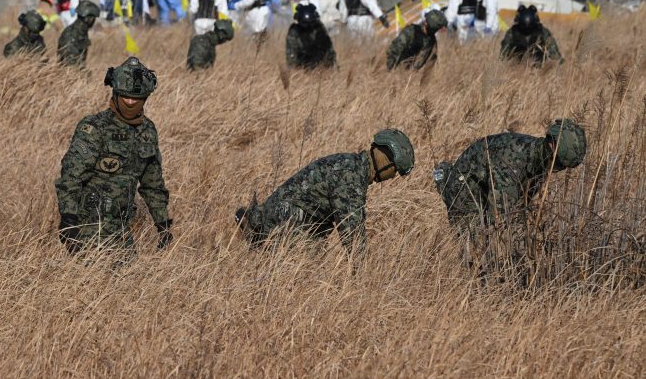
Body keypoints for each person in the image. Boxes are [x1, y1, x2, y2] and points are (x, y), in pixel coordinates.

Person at [55, 57, 172, 257]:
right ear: (116, 93)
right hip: (88, 228)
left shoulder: (147, 131)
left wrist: (163, 224)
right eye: (125, 97)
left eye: (136, 98)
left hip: (122, 229)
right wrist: (69, 219)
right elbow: (71, 177)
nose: (130, 102)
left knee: (129, 282)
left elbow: (152, 183)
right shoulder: (94, 128)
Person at [236, 129, 415, 254]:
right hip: (283, 221)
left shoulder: (352, 165)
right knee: (305, 269)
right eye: (395, 171)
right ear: (386, 160)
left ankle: (253, 225)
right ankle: (254, 229)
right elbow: (352, 235)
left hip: (285, 217)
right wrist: (362, 281)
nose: (392, 177)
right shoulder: (351, 178)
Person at [433, 119, 586, 231]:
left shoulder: (539, 159)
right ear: (551, 145)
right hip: (466, 187)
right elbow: (498, 219)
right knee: (472, 239)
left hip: (488, 183)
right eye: (558, 163)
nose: (557, 169)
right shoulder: (512, 161)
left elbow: (521, 204)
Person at [286, 3, 336, 70]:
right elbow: (291, 53)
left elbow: (329, 50)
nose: (307, 27)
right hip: (302, 63)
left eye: (310, 24)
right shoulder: (294, 31)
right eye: (305, 24)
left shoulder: (319, 29)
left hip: (320, 63)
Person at [57, 0, 101, 67]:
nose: (94, 21)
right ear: (88, 19)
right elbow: (70, 66)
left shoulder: (81, 32)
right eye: (93, 18)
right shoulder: (71, 35)